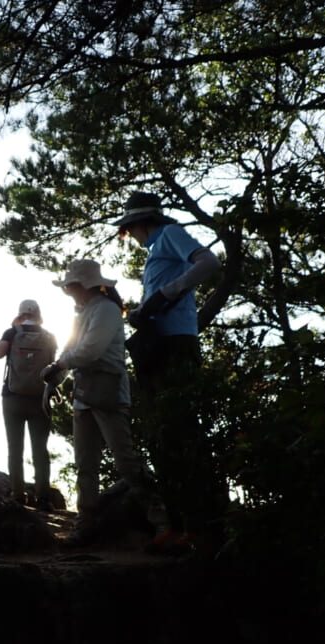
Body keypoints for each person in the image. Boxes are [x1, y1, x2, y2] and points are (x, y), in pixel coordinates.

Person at [113, 190, 225, 553]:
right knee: (165, 434)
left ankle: (201, 528)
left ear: (141, 222)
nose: (132, 236)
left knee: (181, 432)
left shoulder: (170, 233)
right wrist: (145, 308)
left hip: (176, 344)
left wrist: (167, 292)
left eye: (131, 228)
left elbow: (209, 263)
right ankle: (182, 527)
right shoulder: (156, 247)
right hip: (161, 344)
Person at [39, 260, 149, 545]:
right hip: (86, 393)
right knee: (85, 463)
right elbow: (73, 350)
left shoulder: (107, 310)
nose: (68, 291)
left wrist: (60, 364)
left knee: (125, 459)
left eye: (70, 286)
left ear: (80, 286)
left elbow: (91, 350)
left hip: (107, 389)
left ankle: (159, 519)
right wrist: (56, 378)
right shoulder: (85, 312)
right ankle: (86, 523)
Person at [0, 299, 58, 509]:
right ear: (39, 315)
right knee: (40, 449)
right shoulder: (49, 336)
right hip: (40, 398)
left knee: (15, 448)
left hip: (12, 397)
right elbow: (55, 365)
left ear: (20, 315)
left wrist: (12, 329)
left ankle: (18, 495)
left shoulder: (12, 333)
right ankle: (43, 498)